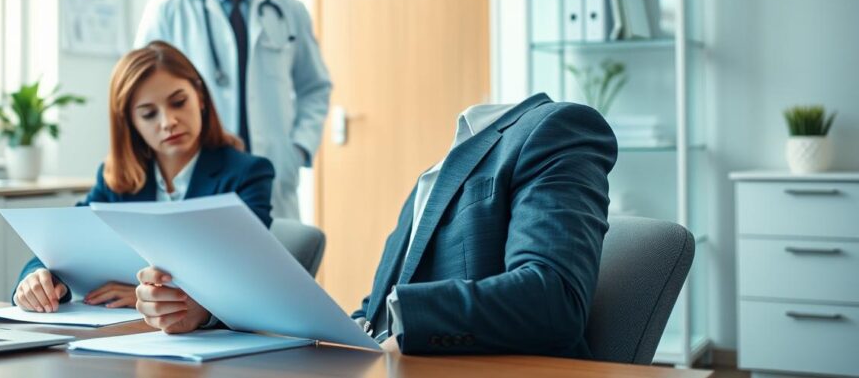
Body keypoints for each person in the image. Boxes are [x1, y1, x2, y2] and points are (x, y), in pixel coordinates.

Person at [135, 93, 617, 353]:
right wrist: (212, 311)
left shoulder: (555, 128)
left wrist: (408, 320)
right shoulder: (431, 181)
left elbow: (554, 300)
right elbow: (368, 319)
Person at [12, 41, 274, 320]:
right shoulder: (117, 180)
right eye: (149, 113)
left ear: (200, 96)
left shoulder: (248, 174)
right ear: (131, 123)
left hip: (216, 342)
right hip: (126, 334)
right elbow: (62, 247)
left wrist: (155, 295)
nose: (168, 121)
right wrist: (36, 279)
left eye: (178, 102)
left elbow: (248, 276)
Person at [134, 0, 331, 220]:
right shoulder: (167, 9)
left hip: (272, 172)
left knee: (272, 266)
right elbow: (137, 92)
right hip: (196, 170)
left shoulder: (289, 11)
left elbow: (315, 87)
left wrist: (296, 150)